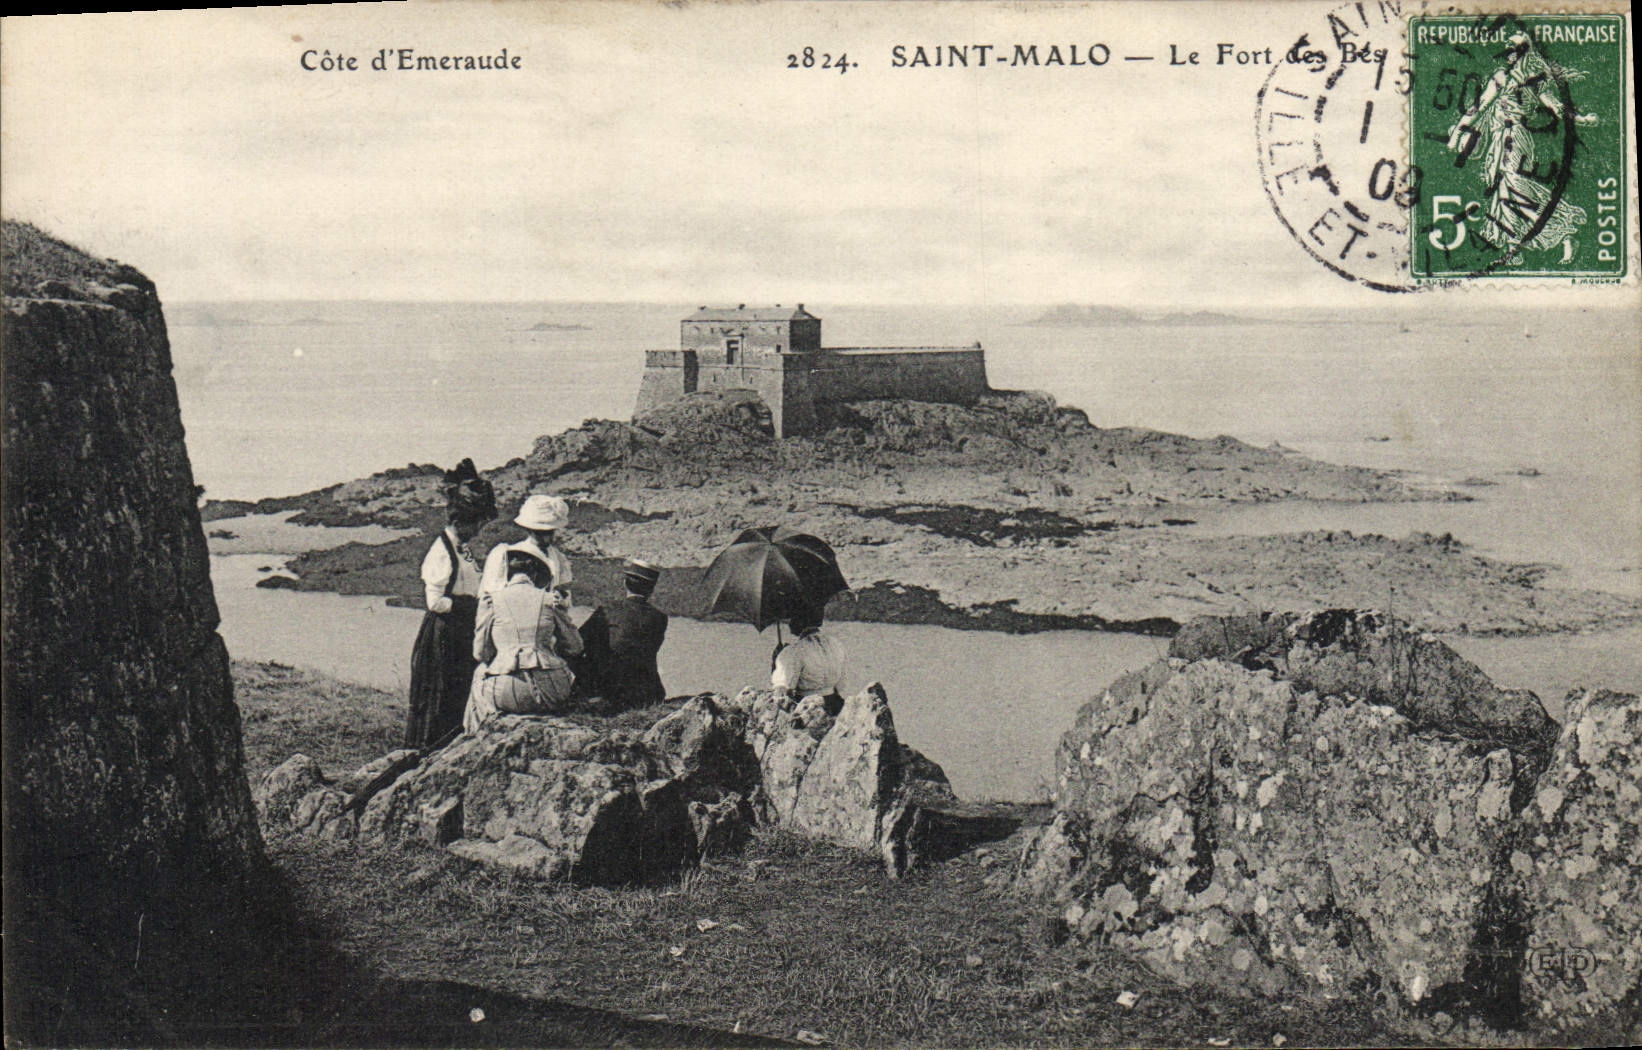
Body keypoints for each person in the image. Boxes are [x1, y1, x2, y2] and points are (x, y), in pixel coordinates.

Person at [404, 458, 495, 750]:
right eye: (476, 523)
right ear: (461, 520)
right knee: (440, 700)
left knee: (458, 696)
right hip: (444, 636)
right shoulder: (442, 552)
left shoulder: (462, 548)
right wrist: (469, 606)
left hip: (460, 633)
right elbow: (435, 602)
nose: (479, 529)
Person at [465, 545, 585, 729]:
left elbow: (480, 654)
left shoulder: (491, 601)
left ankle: (478, 734)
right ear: (536, 575)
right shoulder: (550, 600)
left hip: (504, 690)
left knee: (480, 673)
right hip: (550, 688)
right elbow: (575, 647)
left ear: (508, 573)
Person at [579, 559, 668, 710]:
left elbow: (577, 642)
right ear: (651, 589)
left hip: (610, 691)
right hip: (647, 693)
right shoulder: (660, 617)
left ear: (625, 583)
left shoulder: (608, 610)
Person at [480, 493, 573, 608]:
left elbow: (565, 593)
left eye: (549, 532)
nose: (546, 537)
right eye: (540, 532)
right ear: (529, 530)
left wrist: (561, 599)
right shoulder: (507, 554)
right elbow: (491, 595)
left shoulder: (558, 558)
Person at [770, 602, 847, 716]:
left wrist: (777, 662)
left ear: (799, 621)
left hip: (807, 709)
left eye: (792, 619)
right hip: (835, 705)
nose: (790, 624)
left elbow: (783, 690)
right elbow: (841, 685)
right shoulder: (836, 645)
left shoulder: (795, 651)